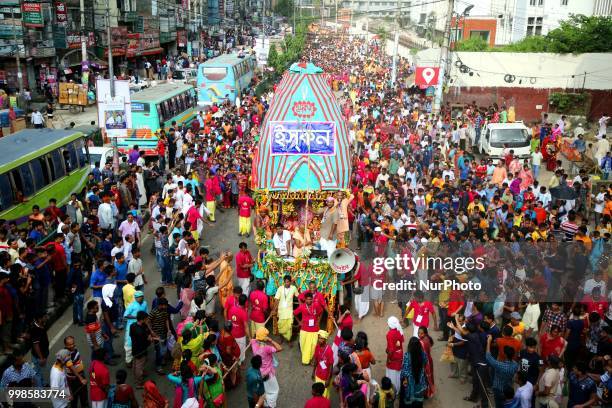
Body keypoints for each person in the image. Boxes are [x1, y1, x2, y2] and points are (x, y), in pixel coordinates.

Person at [251, 327, 282, 408]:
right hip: (268, 373)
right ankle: (270, 405)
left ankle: (263, 403)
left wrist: (259, 335)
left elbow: (253, 339)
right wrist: (270, 340)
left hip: (259, 372)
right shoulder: (267, 348)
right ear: (264, 337)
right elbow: (279, 348)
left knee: (266, 390)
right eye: (266, 335)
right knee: (275, 391)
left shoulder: (253, 343)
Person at [485, 335, 519, 408]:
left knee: (498, 405)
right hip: (508, 388)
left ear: (505, 355)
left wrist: (488, 341)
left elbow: (488, 357)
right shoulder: (515, 365)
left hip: (498, 389)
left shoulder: (500, 365)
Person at [294, 292, 324, 365]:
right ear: (305, 300)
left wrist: (319, 321)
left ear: (312, 299)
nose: (309, 301)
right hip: (304, 329)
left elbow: (321, 311)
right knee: (303, 345)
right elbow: (294, 313)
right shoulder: (302, 306)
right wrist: (299, 322)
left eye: (310, 299)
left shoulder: (316, 305)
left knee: (313, 345)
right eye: (307, 299)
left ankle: (307, 360)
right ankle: (306, 357)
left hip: (314, 329)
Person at [399, 337, 428, 408]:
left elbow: (405, 370)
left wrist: (405, 379)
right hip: (420, 379)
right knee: (418, 399)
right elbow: (425, 362)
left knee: (409, 401)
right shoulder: (423, 353)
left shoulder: (407, 355)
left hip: (409, 381)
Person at [130, 311, 157, 387]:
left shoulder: (133, 325)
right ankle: (139, 382)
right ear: (142, 319)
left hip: (135, 348)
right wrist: (151, 338)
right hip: (140, 350)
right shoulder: (140, 332)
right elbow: (146, 340)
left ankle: (138, 375)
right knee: (139, 365)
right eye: (146, 319)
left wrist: (150, 332)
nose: (147, 320)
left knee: (136, 363)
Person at [274, 275, 298, 344]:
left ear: (290, 282)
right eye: (285, 282)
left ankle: (288, 340)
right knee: (281, 325)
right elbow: (276, 300)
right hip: (281, 311)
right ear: (283, 282)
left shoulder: (293, 288)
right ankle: (281, 338)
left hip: (289, 311)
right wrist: (274, 310)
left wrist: (302, 305)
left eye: (288, 282)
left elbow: (298, 296)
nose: (286, 283)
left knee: (289, 326)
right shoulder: (280, 288)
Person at [311, 330, 334, 399]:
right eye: (319, 338)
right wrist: (313, 372)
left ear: (325, 339)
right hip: (318, 374)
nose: (319, 340)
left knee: (324, 394)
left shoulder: (329, 350)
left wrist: (328, 379)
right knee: (317, 392)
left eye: (321, 338)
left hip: (325, 376)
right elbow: (316, 360)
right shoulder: (317, 347)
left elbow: (331, 366)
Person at [386, 316, 404, 393]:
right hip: (399, 355)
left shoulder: (389, 334)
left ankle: (393, 391)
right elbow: (401, 340)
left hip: (393, 357)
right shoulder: (399, 331)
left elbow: (391, 350)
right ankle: (399, 389)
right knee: (398, 373)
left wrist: (388, 359)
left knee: (392, 374)